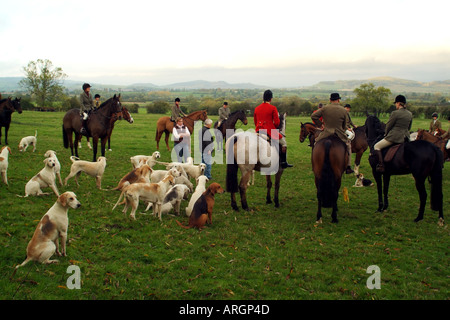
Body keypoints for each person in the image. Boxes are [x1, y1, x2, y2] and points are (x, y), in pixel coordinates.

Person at [311, 93, 354, 174]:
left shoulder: (325, 108)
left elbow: (313, 116)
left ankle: (314, 164)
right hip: (340, 134)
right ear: (338, 100)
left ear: (330, 100)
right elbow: (345, 125)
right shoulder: (344, 110)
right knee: (348, 146)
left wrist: (321, 125)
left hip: (326, 133)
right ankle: (348, 166)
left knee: (316, 143)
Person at [373, 95, 413, 173]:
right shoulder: (409, 114)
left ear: (398, 103)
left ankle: (381, 166)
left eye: (396, 103)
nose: (395, 105)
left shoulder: (395, 113)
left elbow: (388, 126)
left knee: (376, 146)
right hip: (406, 137)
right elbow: (409, 127)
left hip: (395, 137)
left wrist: (386, 134)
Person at [254, 90, 293, 169]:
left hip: (258, 130)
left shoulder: (257, 108)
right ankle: (283, 162)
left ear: (263, 98)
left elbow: (255, 121)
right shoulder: (273, 108)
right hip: (270, 130)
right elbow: (277, 122)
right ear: (271, 99)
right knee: (283, 143)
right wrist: (274, 127)